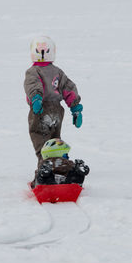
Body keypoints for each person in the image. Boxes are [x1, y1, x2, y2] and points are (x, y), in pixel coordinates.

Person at [24, 36, 83, 168]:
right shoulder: (57, 72)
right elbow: (68, 88)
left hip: (40, 110)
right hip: (57, 111)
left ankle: (44, 170)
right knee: (54, 141)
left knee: (40, 138)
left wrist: (36, 99)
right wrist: (76, 108)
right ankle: (60, 167)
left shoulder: (33, 71)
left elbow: (33, 85)